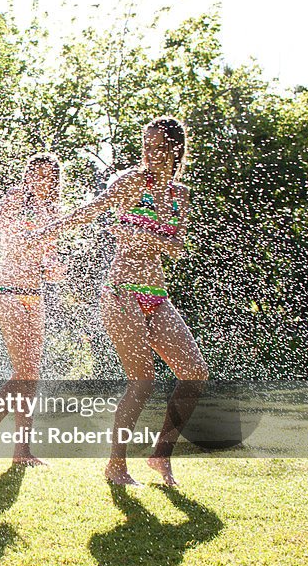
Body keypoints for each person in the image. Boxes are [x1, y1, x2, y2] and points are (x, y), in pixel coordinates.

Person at [37, 117, 207, 486]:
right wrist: (49, 231)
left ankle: (161, 454)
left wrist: (141, 234)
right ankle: (116, 465)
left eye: (159, 145)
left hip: (157, 295)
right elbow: (92, 210)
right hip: (120, 292)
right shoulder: (130, 181)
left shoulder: (180, 195)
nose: (150, 151)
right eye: (146, 143)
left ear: (176, 150)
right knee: (142, 380)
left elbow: (176, 249)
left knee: (194, 373)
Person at [0, 153, 65, 467]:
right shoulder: (15, 199)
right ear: (28, 176)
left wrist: (56, 268)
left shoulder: (54, 213)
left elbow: (49, 257)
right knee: (25, 372)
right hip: (8, 290)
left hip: (36, 294)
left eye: (50, 177)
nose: (44, 182)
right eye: (39, 175)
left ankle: (20, 451)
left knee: (29, 376)